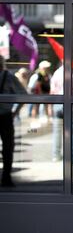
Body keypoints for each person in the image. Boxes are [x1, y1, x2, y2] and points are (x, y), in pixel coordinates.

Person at [0, 56, 27, 187]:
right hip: (5, 116)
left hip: (6, 116)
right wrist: (15, 112)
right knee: (8, 147)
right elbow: (24, 95)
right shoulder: (9, 77)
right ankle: (6, 177)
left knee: (8, 147)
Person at [50, 64, 73, 163]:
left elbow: (52, 91)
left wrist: (50, 107)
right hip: (71, 105)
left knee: (57, 131)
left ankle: (56, 155)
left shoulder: (55, 75)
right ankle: (72, 157)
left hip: (57, 104)